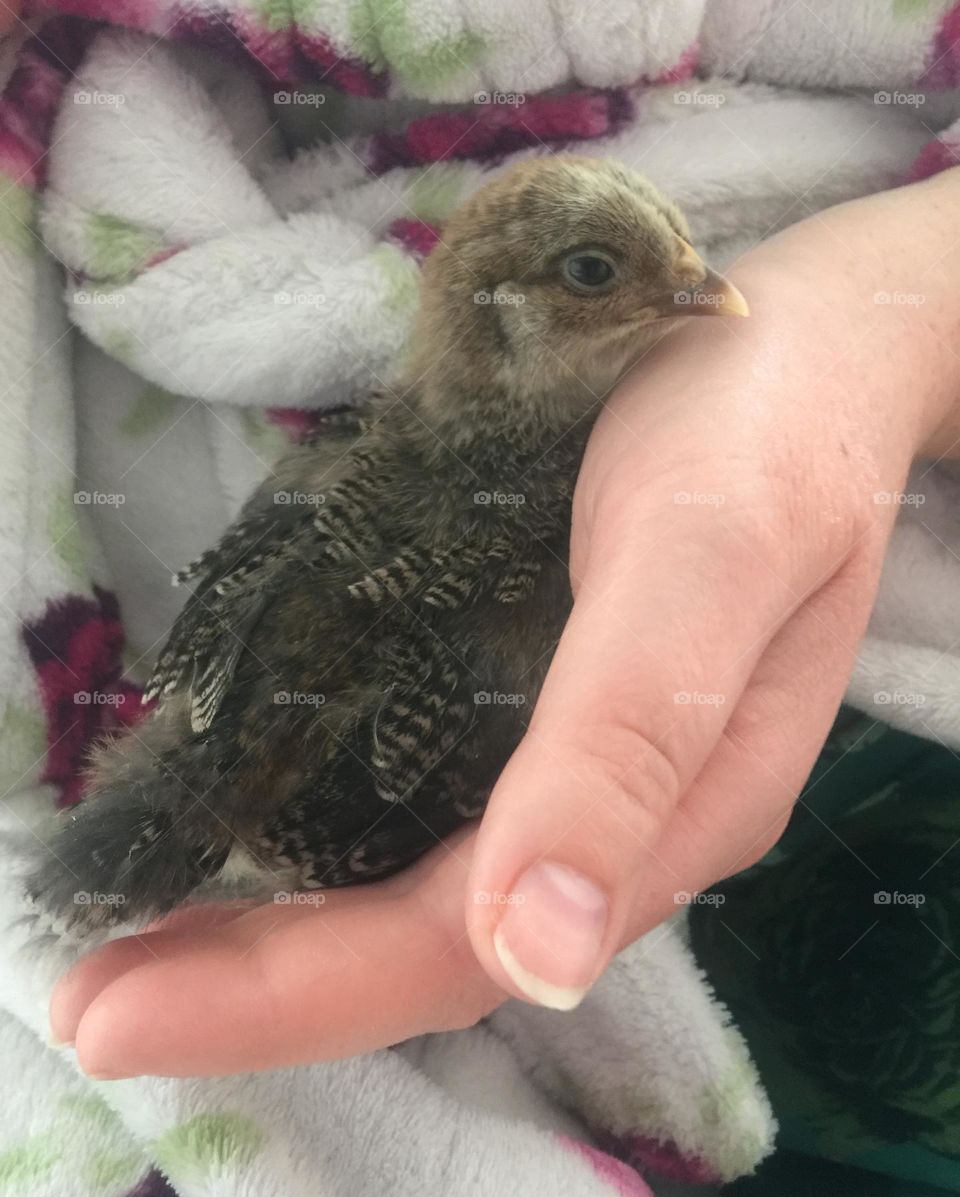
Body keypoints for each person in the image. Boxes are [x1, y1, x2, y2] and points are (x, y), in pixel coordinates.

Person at [51, 169, 960, 1073]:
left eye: (676, 250)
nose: (697, 278)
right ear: (500, 319)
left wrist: (861, 332)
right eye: (597, 273)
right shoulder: (520, 543)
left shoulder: (375, 457)